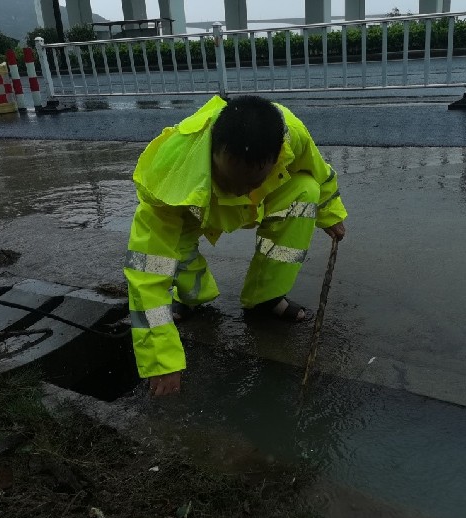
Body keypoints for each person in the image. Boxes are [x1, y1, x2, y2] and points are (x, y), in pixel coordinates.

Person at [124, 95, 347, 397]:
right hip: (195, 201)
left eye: (251, 182)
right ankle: (191, 296)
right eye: (231, 181)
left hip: (261, 202)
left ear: (277, 155)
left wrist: (330, 213)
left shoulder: (290, 134)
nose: (240, 191)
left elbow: (320, 172)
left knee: (306, 190)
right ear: (212, 151)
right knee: (171, 255)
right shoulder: (170, 174)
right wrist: (161, 361)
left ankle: (265, 296)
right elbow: (147, 273)